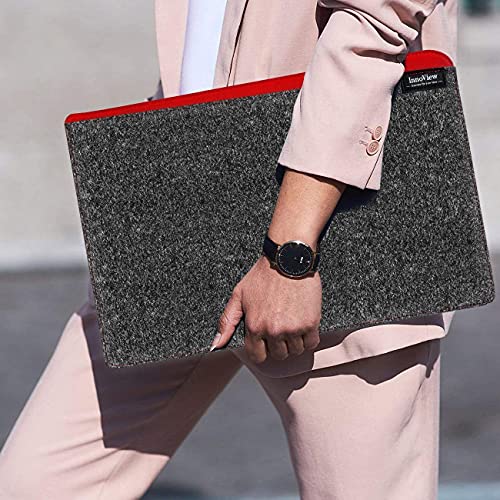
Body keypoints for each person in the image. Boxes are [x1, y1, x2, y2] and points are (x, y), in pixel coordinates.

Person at [0, 0, 458, 498]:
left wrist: (290, 255)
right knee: (32, 485)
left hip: (335, 240)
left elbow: (373, 25)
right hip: (187, 215)